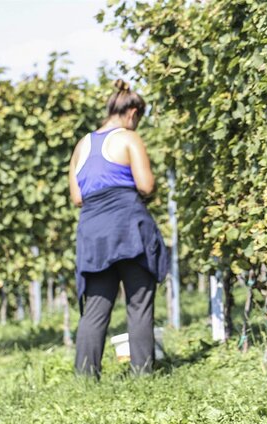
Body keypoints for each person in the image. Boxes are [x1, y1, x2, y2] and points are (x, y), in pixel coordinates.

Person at [69, 80, 169, 376]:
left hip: (94, 233)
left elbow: (77, 197)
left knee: (96, 308)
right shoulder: (128, 138)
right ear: (132, 113)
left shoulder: (82, 144)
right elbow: (146, 185)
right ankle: (142, 375)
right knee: (139, 303)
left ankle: (86, 377)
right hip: (128, 229)